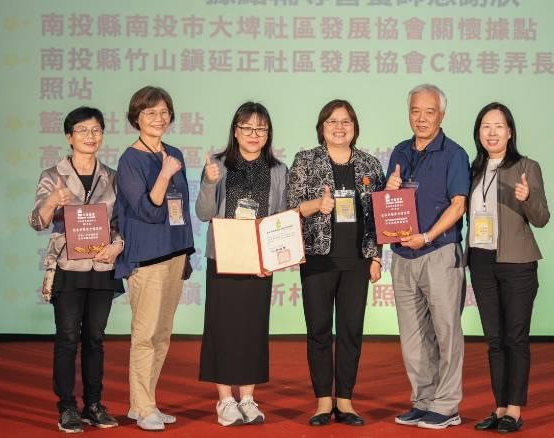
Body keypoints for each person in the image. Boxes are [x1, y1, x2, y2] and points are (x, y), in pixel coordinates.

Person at [288, 99, 386, 427]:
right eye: (332, 121)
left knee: (350, 332)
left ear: (354, 127)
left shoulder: (371, 165)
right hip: (317, 258)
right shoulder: (305, 161)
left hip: (356, 261)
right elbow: (292, 205)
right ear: (322, 127)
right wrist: (318, 204)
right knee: (317, 331)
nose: (339, 127)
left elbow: (379, 218)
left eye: (346, 121)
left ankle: (344, 400)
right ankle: (322, 401)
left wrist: (375, 256)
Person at [29, 106, 125, 433]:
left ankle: (94, 404)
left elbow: (119, 224)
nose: (90, 136)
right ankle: (67, 406)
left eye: (96, 130)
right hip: (68, 266)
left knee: (95, 338)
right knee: (68, 337)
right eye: (82, 131)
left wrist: (118, 245)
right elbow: (37, 222)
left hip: (101, 265)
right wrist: (52, 201)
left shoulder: (111, 176)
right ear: (69, 137)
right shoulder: (52, 175)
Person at [195, 102, 288, 426]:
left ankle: (247, 397)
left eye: (260, 129)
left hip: (258, 260)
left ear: (267, 134)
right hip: (223, 257)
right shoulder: (218, 165)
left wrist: (276, 257)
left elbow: (280, 218)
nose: (253, 135)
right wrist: (208, 182)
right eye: (247, 128)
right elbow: (204, 213)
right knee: (222, 328)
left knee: (252, 329)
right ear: (235, 131)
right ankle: (225, 401)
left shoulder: (278, 170)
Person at [387, 84, 471, 430]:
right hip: (402, 256)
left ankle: (447, 405)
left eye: (429, 112)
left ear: (442, 115)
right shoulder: (400, 151)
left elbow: (459, 205)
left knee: (446, 330)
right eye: (415, 111)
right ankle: (423, 400)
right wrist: (388, 192)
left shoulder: (454, 153)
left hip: (438, 252)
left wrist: (427, 236)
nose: (421, 119)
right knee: (413, 334)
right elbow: (389, 206)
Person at [115, 86, 195, 432]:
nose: (158, 118)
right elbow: (147, 211)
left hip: (174, 252)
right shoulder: (130, 159)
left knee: (162, 334)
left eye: (163, 111)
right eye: (150, 113)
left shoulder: (174, 151)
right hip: (146, 257)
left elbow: (183, 209)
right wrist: (163, 174)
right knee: (145, 334)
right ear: (136, 118)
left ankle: (143, 404)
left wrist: (187, 251)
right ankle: (144, 405)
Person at [468, 103, 549, 434]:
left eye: (499, 126)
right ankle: (499, 406)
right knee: (494, 340)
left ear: (510, 131)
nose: (492, 132)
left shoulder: (527, 166)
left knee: (515, 338)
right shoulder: (473, 169)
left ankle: (513, 410)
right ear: (478, 133)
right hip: (481, 261)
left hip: (516, 263)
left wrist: (527, 197)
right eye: (485, 126)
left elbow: (541, 218)